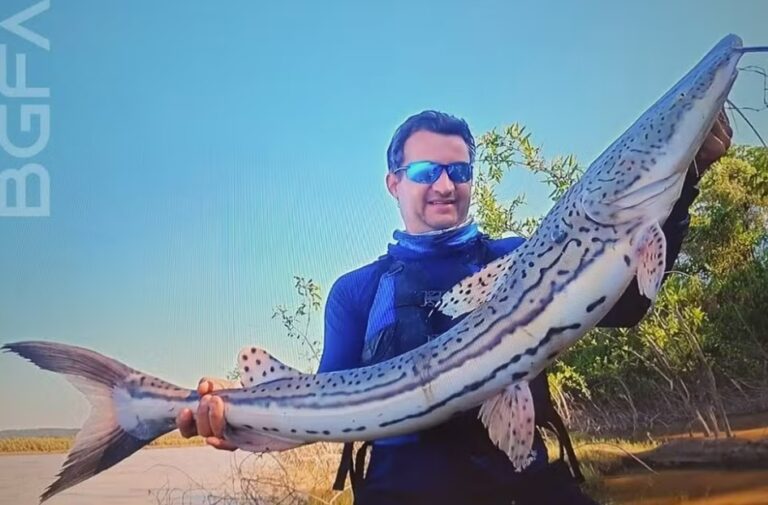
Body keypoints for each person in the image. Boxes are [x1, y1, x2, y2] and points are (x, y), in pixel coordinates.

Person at [177, 110, 732, 504]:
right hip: (402, 493)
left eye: (460, 171)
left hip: (524, 486)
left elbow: (628, 304)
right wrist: (243, 422)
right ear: (394, 183)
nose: (445, 184)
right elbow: (325, 404)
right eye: (425, 172)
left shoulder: (519, 256)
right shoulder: (358, 290)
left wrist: (687, 182)